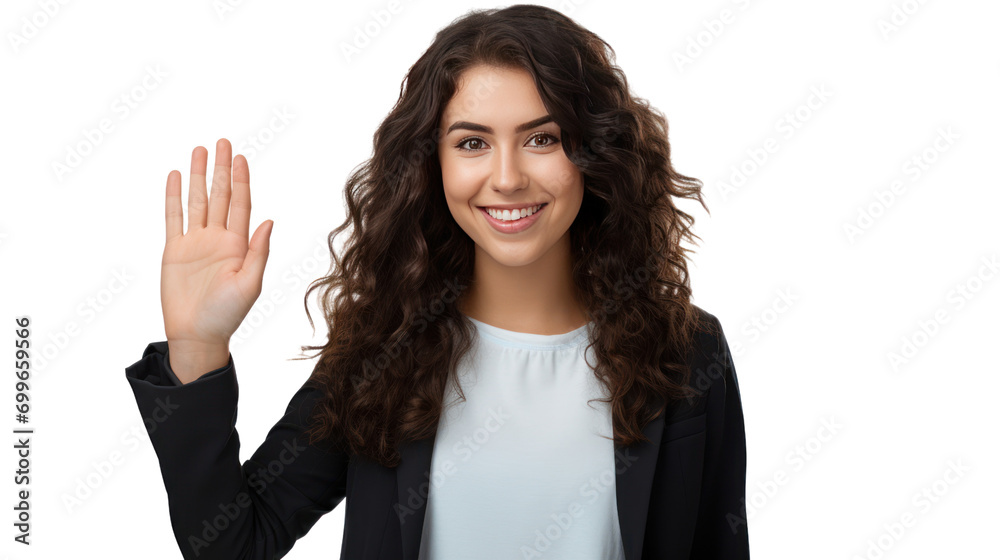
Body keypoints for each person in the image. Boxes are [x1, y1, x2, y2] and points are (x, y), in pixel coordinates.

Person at [124, 4, 750, 559]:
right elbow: (234, 542)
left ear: (595, 153)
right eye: (472, 143)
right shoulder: (382, 345)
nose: (506, 178)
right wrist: (197, 349)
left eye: (542, 137)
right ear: (433, 166)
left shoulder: (689, 354)